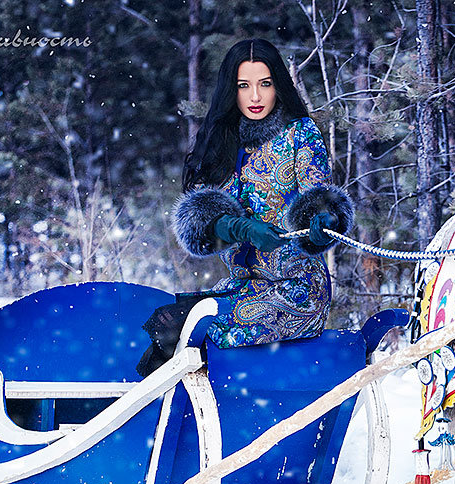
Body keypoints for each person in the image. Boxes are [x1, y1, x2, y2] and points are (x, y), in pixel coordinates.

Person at [136, 38, 353, 376]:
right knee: (165, 320)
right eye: (244, 85)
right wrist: (238, 227)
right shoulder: (220, 139)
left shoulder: (299, 133)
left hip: (295, 291)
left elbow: (319, 197)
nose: (255, 96)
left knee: (190, 328)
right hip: (242, 287)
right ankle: (153, 417)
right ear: (231, 90)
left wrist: (321, 222)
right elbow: (203, 220)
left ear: (278, 85)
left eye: (265, 84)